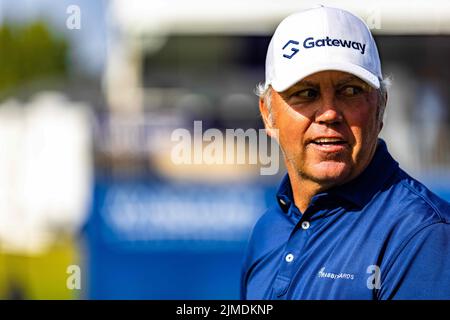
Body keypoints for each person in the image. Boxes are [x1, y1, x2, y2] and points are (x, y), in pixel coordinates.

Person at [240, 6, 450, 300]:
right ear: (268, 113)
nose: (329, 113)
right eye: (306, 93)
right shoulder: (269, 228)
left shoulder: (423, 234)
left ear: (381, 107)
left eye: (350, 91)